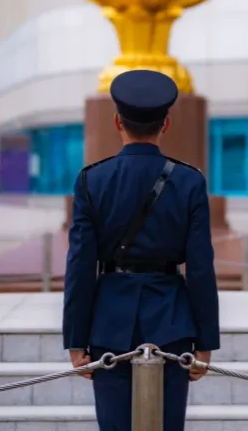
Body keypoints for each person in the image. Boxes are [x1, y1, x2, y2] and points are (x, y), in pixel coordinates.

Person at [63, 69, 220, 431]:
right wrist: (206, 342)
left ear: (117, 121)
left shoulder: (91, 180)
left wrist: (75, 340)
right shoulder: (189, 181)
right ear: (166, 124)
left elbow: (80, 265)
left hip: (109, 323)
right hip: (171, 322)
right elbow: (200, 267)